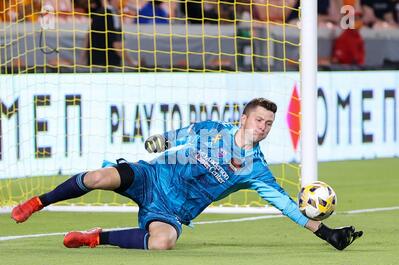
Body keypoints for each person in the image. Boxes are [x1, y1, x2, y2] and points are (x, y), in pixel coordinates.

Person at [11, 98, 363, 251]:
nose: (264, 127)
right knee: (97, 178)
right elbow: (184, 134)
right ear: (243, 119)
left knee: (163, 243)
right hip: (151, 177)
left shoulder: (256, 170)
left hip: (170, 210)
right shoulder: (213, 129)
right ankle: (38, 202)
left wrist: (326, 232)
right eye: (259, 120)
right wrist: (161, 140)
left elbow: (285, 204)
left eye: (269, 123)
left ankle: (96, 238)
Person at [82, 0, 137, 70]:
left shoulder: (99, 13)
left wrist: (82, 60)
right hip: (109, 66)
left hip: (94, 64)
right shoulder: (112, 15)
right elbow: (117, 44)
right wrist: (132, 63)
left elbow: (87, 37)